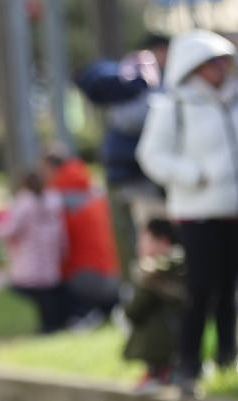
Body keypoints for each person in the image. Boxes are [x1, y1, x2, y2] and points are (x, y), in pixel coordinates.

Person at [135, 29, 238, 398]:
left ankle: (229, 354)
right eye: (211, 63)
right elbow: (152, 155)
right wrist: (193, 175)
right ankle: (188, 363)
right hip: (199, 215)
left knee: (234, 289)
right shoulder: (174, 106)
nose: (220, 69)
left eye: (223, 61)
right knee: (200, 290)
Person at [74, 33, 171, 278]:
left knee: (147, 237)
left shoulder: (133, 83)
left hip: (136, 176)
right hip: (139, 178)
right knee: (152, 238)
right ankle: (148, 293)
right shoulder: (139, 84)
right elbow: (131, 119)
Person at [41, 148, 122, 325]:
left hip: (85, 277)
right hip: (112, 273)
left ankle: (81, 315)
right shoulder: (92, 192)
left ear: (49, 168)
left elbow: (58, 244)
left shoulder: (58, 198)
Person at [0, 172, 71, 334]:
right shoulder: (53, 201)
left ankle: (47, 326)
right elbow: (62, 231)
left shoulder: (23, 204)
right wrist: (63, 249)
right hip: (49, 254)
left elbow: (10, 229)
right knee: (46, 293)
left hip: (28, 256)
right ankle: (50, 324)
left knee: (33, 292)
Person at [123, 218, 187, 393]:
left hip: (165, 340)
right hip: (182, 339)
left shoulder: (153, 274)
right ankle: (163, 371)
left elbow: (134, 310)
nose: (140, 247)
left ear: (163, 241)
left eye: (145, 240)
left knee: (144, 321)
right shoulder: (185, 267)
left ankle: (158, 371)